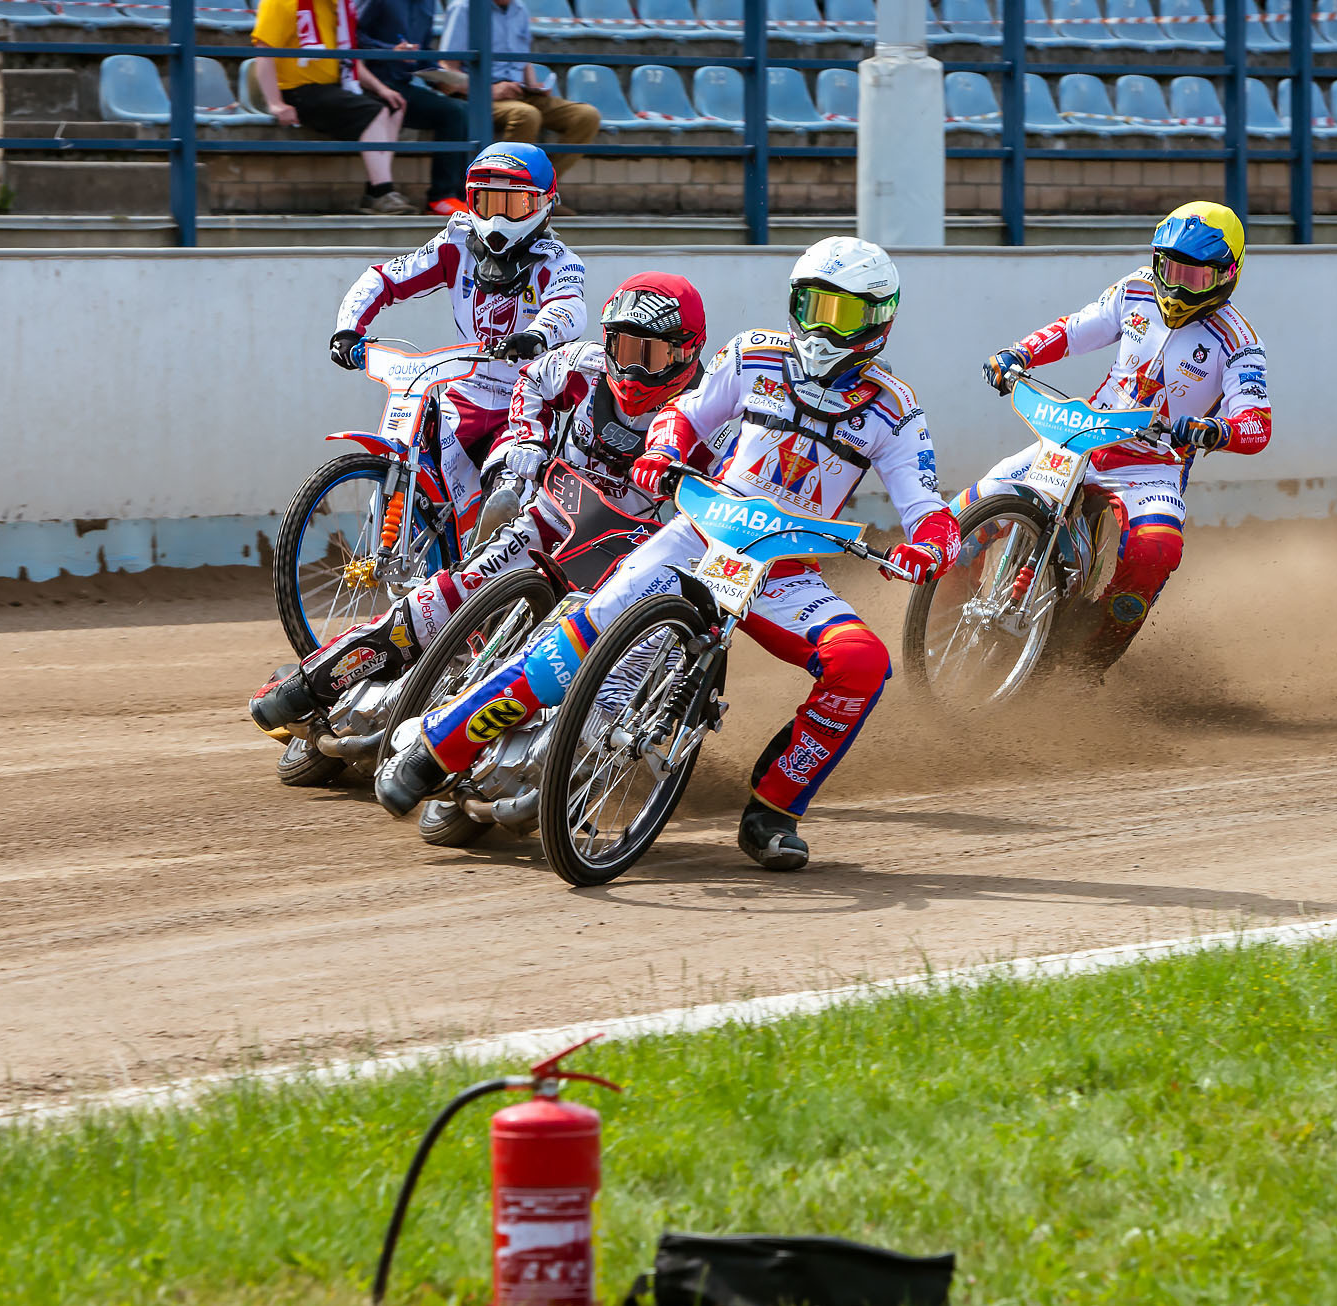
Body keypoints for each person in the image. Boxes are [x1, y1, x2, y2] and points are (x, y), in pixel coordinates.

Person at [376, 237, 963, 873]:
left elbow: (923, 501)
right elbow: (686, 415)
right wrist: (663, 450)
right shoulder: (752, 356)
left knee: (862, 662)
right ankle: (439, 747)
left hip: (783, 571)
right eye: (812, 305)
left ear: (879, 320)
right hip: (701, 531)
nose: (822, 327)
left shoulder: (896, 411)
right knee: (590, 625)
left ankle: (774, 811)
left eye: (843, 315)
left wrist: (932, 544)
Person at [252, 271, 711, 755]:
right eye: (624, 348)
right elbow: (529, 383)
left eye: (652, 354)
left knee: (629, 658)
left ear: (687, 351)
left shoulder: (710, 413)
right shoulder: (581, 365)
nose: (633, 368)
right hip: (553, 519)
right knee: (453, 589)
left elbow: (726, 499)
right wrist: (525, 443)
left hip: (633, 563)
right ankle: (315, 682)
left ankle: (579, 749)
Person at [961, 203, 1274, 668]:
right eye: (1169, 268)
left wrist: (1214, 429)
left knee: (1156, 548)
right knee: (961, 515)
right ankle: (941, 632)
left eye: (1194, 276)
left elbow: (1257, 423)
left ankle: (1093, 657)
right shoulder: (1134, 291)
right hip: (1080, 435)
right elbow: (1074, 331)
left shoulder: (1239, 341)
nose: (1176, 284)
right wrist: (1019, 353)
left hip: (1154, 464)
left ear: (1228, 275)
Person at [328, 141, 590, 544]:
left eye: (514, 204)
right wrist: (348, 328)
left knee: (506, 493)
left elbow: (570, 308)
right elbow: (385, 277)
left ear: (543, 204)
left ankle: (490, 569)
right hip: (461, 393)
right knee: (413, 457)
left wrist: (538, 334)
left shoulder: (559, 260)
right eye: (486, 202)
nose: (498, 217)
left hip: (525, 401)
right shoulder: (454, 243)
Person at [250, 0, 416, 215]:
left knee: (394, 105)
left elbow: (348, 58)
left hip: (330, 88)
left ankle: (375, 191)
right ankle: (384, 191)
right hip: (297, 90)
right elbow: (264, 52)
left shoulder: (335, 2)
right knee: (372, 112)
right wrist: (275, 103)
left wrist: (381, 88)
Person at [440, 0, 606, 162]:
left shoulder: (520, 10)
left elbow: (522, 59)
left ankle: (539, 187)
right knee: (526, 115)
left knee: (587, 116)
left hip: (520, 93)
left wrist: (533, 84)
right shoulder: (465, 6)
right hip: (477, 95)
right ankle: (502, 188)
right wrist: (490, 90)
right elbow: (447, 68)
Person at [352, 0, 470, 213]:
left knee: (461, 109)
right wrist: (388, 51)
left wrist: (443, 78)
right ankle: (440, 196)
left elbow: (421, 53)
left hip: (404, 84)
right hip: (373, 83)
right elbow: (353, 38)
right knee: (453, 114)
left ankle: (456, 195)